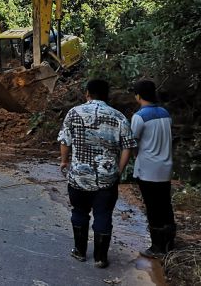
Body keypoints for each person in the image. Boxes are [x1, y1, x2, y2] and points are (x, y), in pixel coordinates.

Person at [58, 79, 137, 268]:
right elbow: (128, 147)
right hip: (106, 178)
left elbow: (64, 140)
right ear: (106, 94)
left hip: (78, 177)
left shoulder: (73, 113)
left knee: (79, 211)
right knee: (103, 214)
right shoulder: (118, 117)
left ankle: (80, 251)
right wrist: (119, 169)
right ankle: (101, 258)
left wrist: (64, 161)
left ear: (87, 93)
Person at [131, 79, 176, 258]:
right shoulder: (165, 113)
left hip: (148, 169)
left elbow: (131, 141)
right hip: (165, 167)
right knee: (165, 204)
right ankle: (169, 242)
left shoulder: (139, 117)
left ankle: (157, 246)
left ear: (138, 96)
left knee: (152, 207)